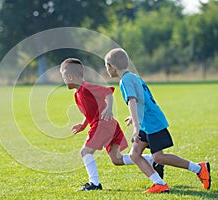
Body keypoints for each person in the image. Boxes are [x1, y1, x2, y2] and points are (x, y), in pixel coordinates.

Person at [104, 48, 211, 193]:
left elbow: (133, 101)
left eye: (106, 66)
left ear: (113, 67)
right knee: (135, 154)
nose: (107, 70)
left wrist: (135, 128)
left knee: (158, 157)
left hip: (152, 123)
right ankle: (159, 183)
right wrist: (136, 117)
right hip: (148, 122)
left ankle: (199, 168)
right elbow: (144, 100)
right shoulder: (134, 77)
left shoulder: (125, 80)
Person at [60, 58, 163, 191]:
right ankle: (153, 160)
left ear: (70, 76)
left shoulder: (86, 88)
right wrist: (83, 125)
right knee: (116, 159)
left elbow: (108, 92)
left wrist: (109, 109)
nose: (64, 81)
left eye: (64, 78)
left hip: (102, 125)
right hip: (109, 126)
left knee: (85, 152)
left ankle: (95, 184)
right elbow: (90, 113)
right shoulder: (77, 94)